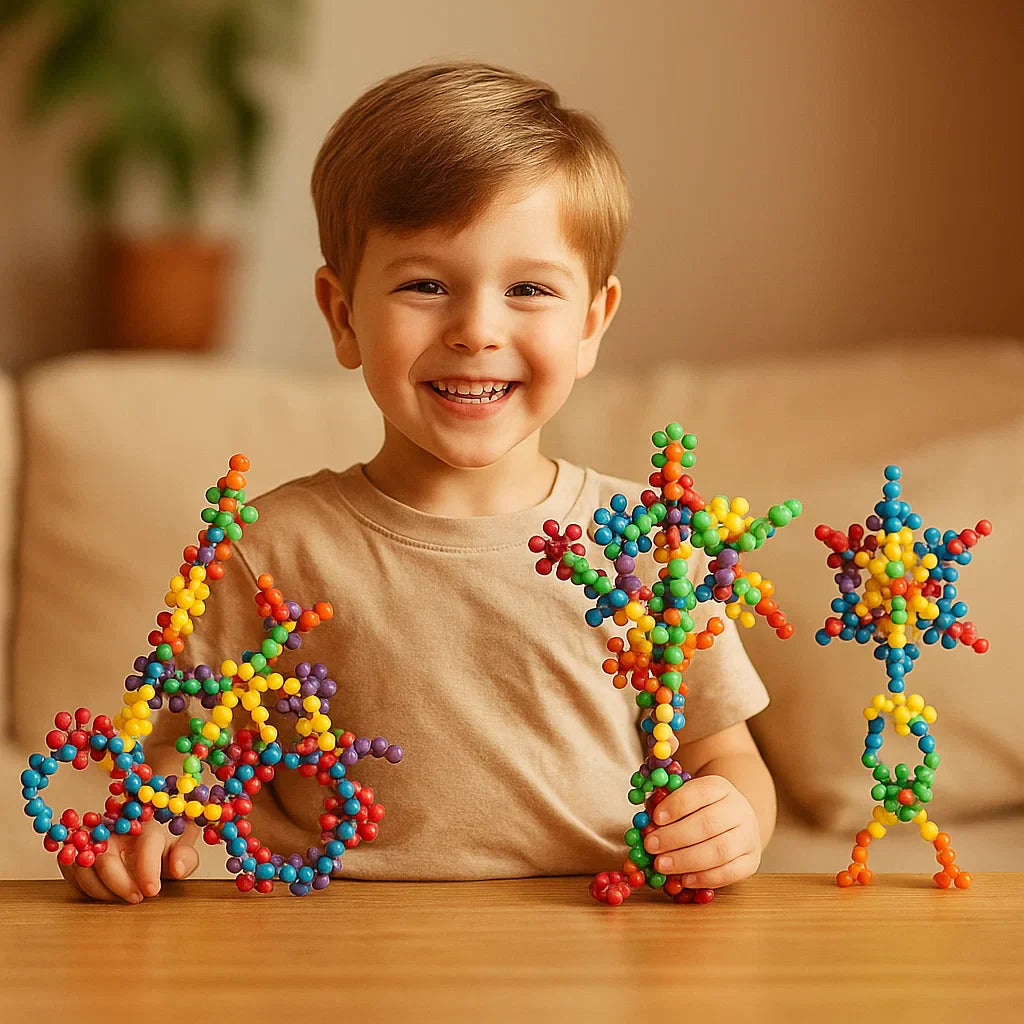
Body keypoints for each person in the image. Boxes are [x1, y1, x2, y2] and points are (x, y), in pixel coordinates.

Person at [61, 60, 775, 904]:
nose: (476, 330)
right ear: (343, 315)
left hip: (595, 942)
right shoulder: (270, 550)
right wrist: (142, 824)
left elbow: (726, 756)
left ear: (591, 323)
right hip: (336, 943)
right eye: (425, 285)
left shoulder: (650, 544)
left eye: (529, 289)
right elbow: (180, 755)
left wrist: (734, 821)